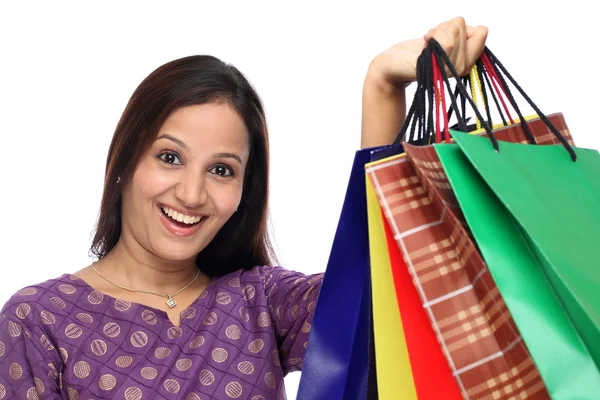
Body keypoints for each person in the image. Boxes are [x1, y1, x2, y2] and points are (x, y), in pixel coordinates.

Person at [0, 17, 488, 400]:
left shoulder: (260, 302)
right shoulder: (38, 320)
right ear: (126, 160)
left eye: (222, 170)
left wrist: (381, 87)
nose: (192, 195)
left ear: (244, 190)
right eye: (170, 157)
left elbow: (376, 292)